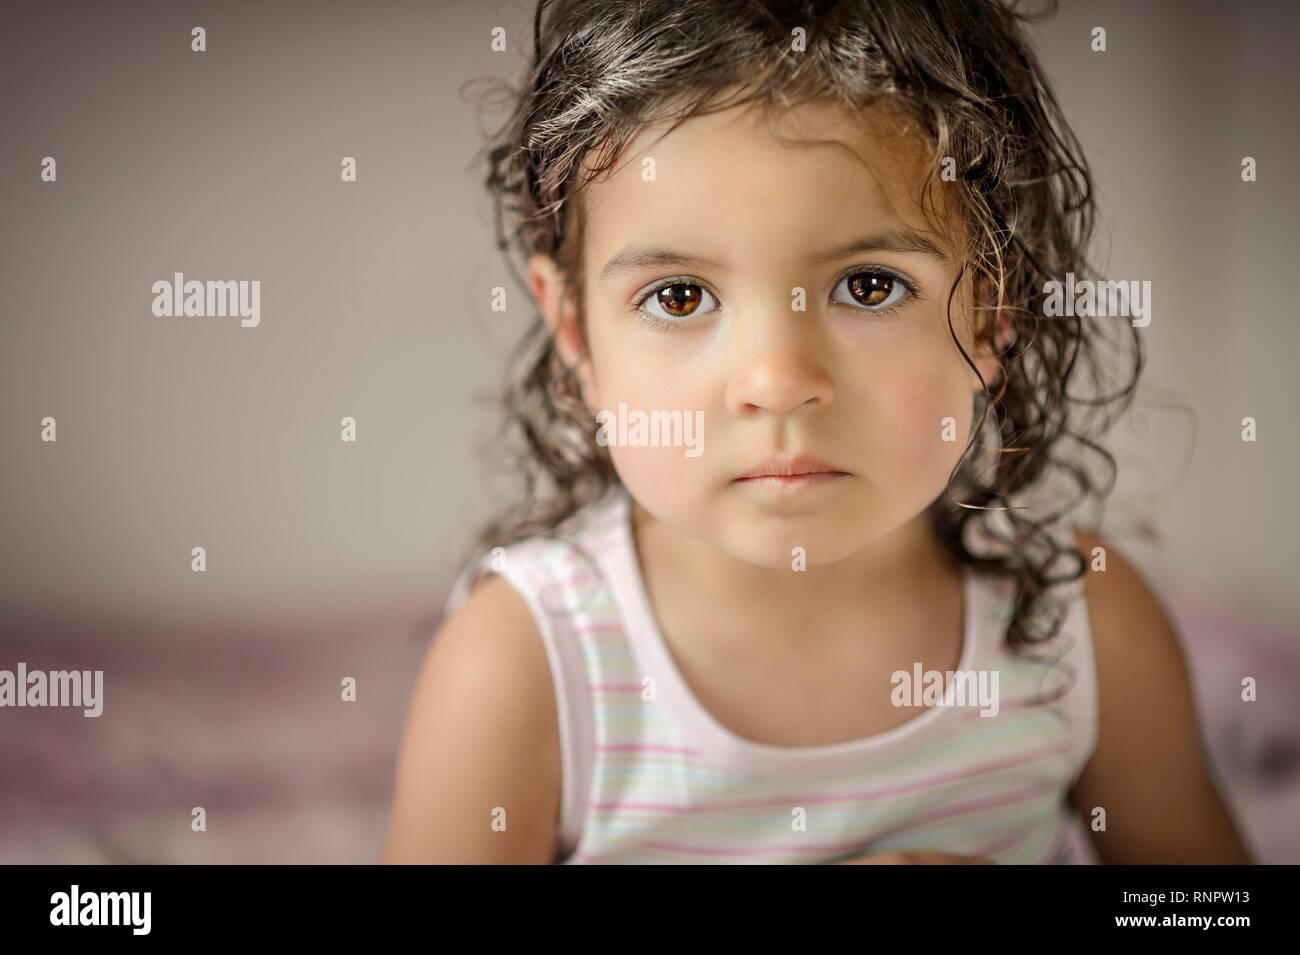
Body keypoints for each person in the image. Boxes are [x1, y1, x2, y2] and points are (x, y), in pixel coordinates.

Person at [382, 0, 1252, 864]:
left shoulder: (1077, 625)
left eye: (868, 286)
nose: (779, 382)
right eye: (679, 296)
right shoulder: (527, 662)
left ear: (991, 313)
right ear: (577, 336)